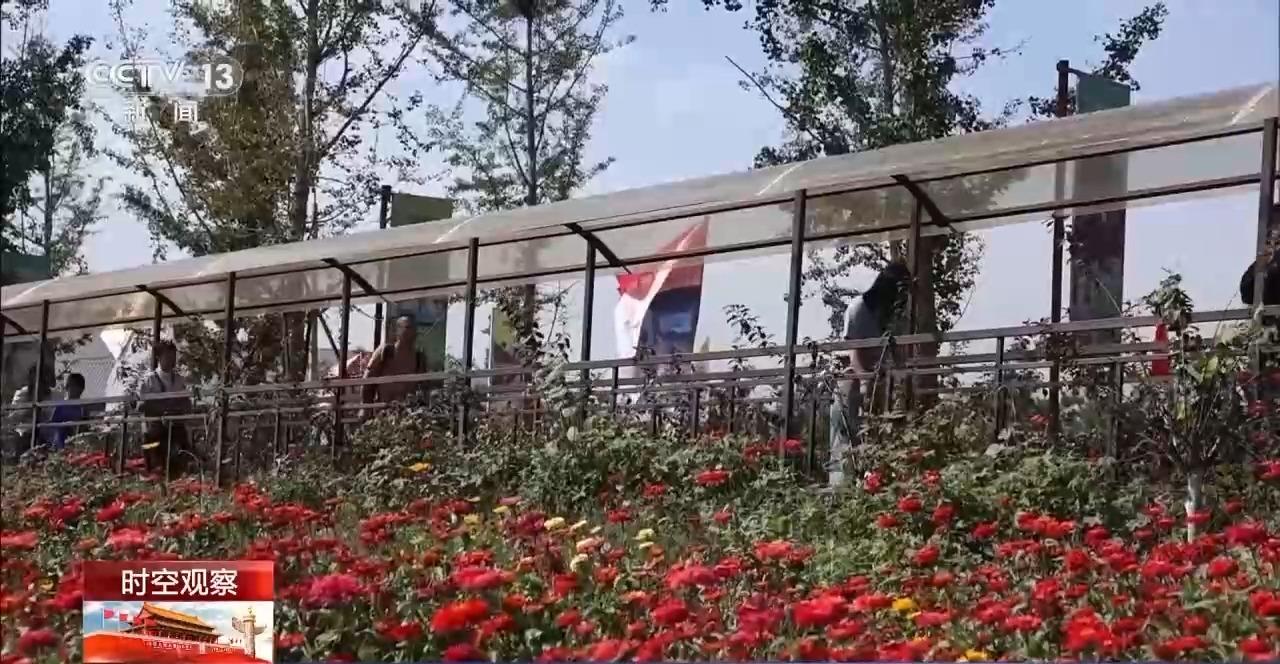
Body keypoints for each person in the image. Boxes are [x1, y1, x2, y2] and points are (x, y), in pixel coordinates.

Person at [828, 261, 912, 488]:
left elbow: (894, 352)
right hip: (852, 382)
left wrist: (899, 376)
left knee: (873, 438)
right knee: (847, 438)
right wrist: (865, 380)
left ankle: (869, 485)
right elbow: (854, 351)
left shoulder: (887, 317)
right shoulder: (859, 308)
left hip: (875, 383)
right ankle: (841, 489)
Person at [138, 340, 194, 475]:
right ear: (159, 357)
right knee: (157, 452)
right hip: (155, 428)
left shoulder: (179, 380)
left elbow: (186, 403)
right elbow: (141, 405)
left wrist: (179, 409)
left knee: (183, 448)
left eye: (173, 356)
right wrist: (160, 410)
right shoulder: (149, 380)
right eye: (168, 356)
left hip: (175, 426)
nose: (171, 360)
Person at [362, 314, 427, 409]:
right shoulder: (385, 351)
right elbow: (368, 379)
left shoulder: (419, 358)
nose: (412, 332)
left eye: (414, 328)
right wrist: (365, 407)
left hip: (409, 410)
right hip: (384, 408)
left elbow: (424, 386)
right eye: (407, 327)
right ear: (398, 331)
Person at [48, 373, 87, 449]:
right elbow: (52, 425)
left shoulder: (82, 408)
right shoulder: (61, 406)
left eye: (72, 385)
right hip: (60, 441)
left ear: (81, 389)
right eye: (68, 385)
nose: (67, 387)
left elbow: (84, 426)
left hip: (77, 441)